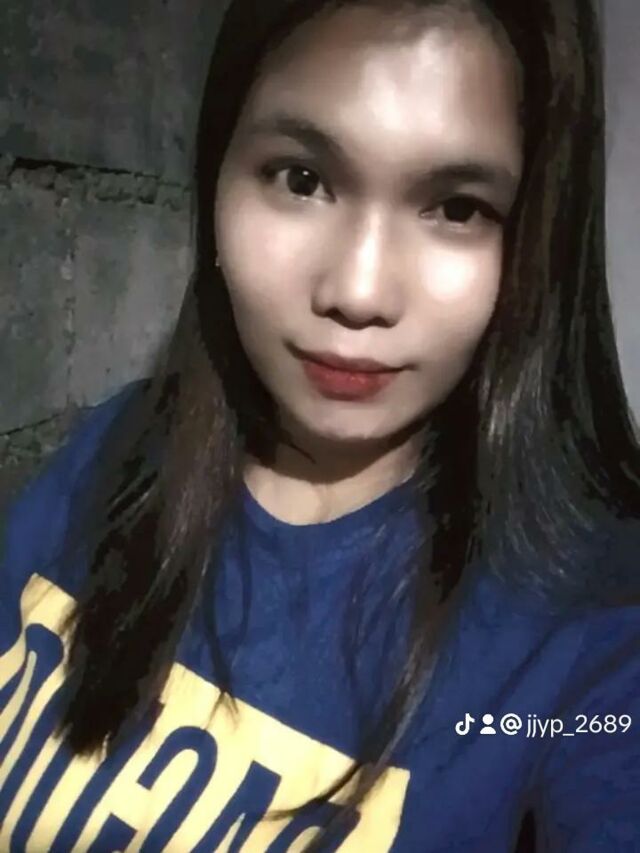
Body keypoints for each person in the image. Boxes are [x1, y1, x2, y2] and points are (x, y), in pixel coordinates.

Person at [1, 0, 639, 850]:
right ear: (217, 176)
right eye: (301, 179)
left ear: (532, 244)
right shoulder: (117, 448)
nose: (358, 291)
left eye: (456, 207)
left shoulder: (593, 625)